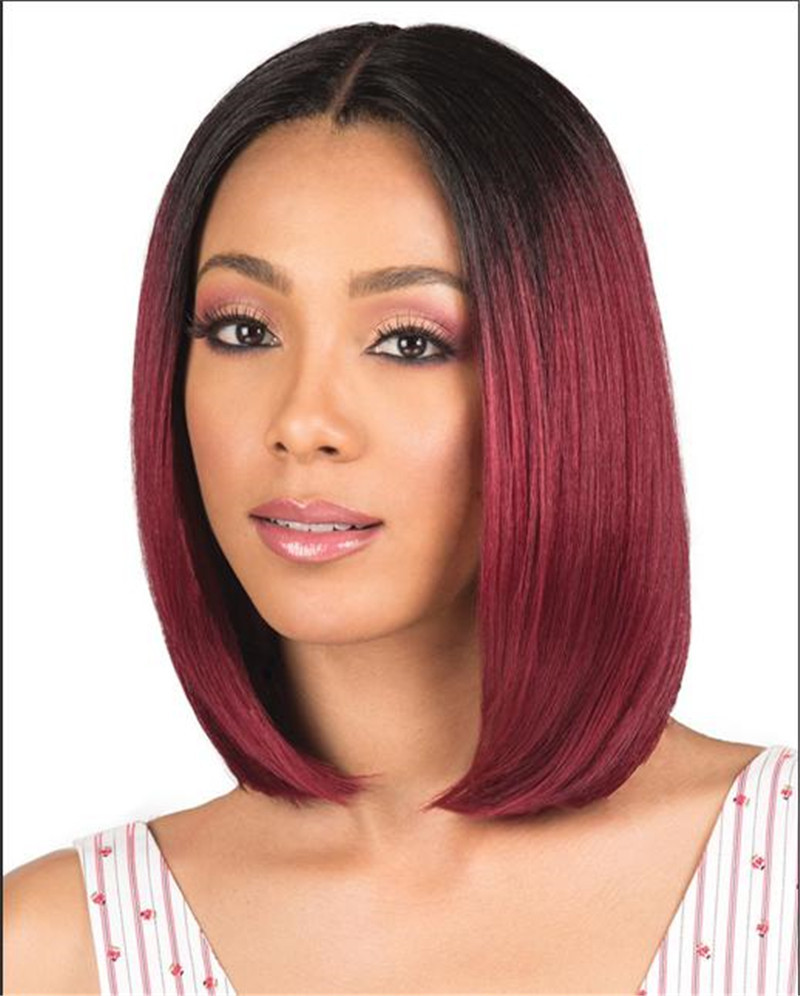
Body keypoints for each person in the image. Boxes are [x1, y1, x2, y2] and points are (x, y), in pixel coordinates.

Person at [4, 21, 796, 996]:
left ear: (566, 381)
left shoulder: (780, 877)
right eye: (243, 330)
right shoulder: (56, 954)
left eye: (409, 342)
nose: (303, 421)